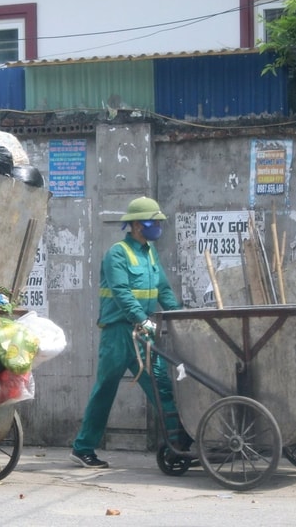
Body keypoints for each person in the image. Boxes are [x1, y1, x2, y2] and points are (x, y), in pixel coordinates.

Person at [70, 196, 189, 469]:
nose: (158, 225)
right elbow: (122, 293)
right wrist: (141, 319)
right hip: (118, 333)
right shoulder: (118, 253)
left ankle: (179, 442)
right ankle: (83, 448)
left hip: (142, 332)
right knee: (105, 390)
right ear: (137, 224)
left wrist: (178, 315)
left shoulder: (150, 252)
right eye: (153, 221)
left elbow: (163, 290)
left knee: (161, 386)